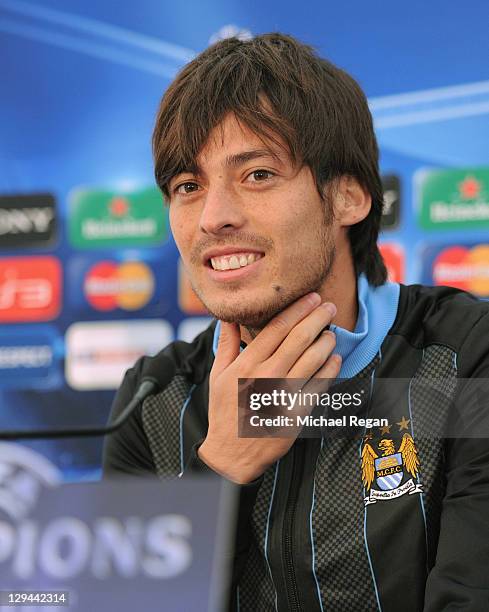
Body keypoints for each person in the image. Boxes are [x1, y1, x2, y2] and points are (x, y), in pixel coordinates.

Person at [103, 33, 489, 611]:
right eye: (188, 186)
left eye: (257, 174)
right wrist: (220, 472)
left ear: (349, 197)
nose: (214, 218)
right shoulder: (154, 399)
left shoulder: (465, 353)